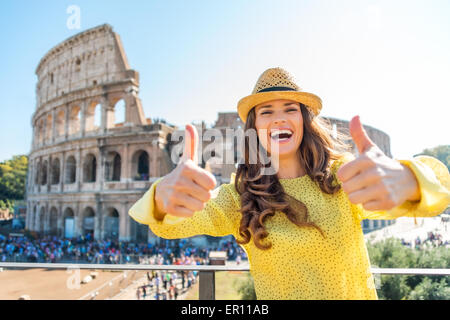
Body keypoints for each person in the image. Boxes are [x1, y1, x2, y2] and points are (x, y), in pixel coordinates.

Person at [129, 67, 450, 300]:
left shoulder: (341, 177)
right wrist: (161, 198)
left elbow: (442, 190)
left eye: (290, 109)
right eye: (266, 112)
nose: (279, 118)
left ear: (305, 121)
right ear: (254, 129)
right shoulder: (240, 198)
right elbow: (170, 225)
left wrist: (409, 179)